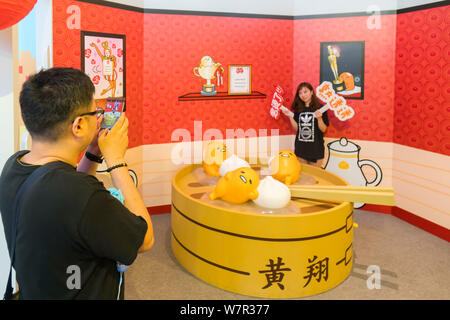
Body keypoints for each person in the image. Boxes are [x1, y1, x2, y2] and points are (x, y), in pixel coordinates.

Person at [0, 67, 154, 299]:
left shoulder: (14, 165)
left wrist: (92, 153)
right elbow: (144, 239)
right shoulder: (83, 195)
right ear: (79, 125)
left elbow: (66, 196)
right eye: (96, 112)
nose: (99, 117)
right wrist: (116, 161)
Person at [281, 82, 329, 167]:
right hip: (301, 149)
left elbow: (323, 129)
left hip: (316, 150)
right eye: (300, 93)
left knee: (315, 177)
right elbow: (297, 129)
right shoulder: (298, 109)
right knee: (303, 177)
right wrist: (290, 116)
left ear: (311, 92)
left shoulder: (320, 108)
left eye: (305, 92)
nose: (303, 95)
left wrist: (319, 118)